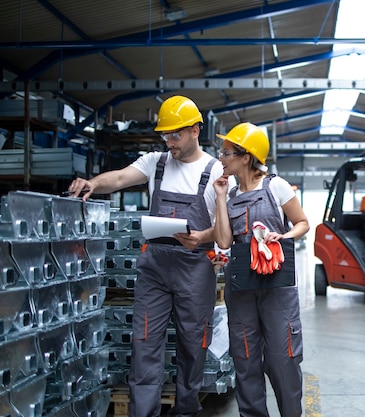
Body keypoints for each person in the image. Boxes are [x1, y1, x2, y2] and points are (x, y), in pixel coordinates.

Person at [66, 95, 223, 417]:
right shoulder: (156, 162)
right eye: (165, 135)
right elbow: (121, 178)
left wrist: (203, 237)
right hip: (154, 269)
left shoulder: (216, 170)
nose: (169, 142)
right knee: (145, 343)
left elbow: (226, 228)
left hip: (195, 269)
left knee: (193, 346)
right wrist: (93, 183)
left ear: (195, 130)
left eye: (175, 134)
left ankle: (186, 410)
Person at [212, 122, 310, 417]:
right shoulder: (228, 195)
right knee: (245, 358)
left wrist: (283, 237)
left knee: (283, 358)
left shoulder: (275, 186)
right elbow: (225, 240)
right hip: (242, 288)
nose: (221, 158)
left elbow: (303, 223)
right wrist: (218, 196)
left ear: (246, 157)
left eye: (226, 152)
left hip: (276, 286)